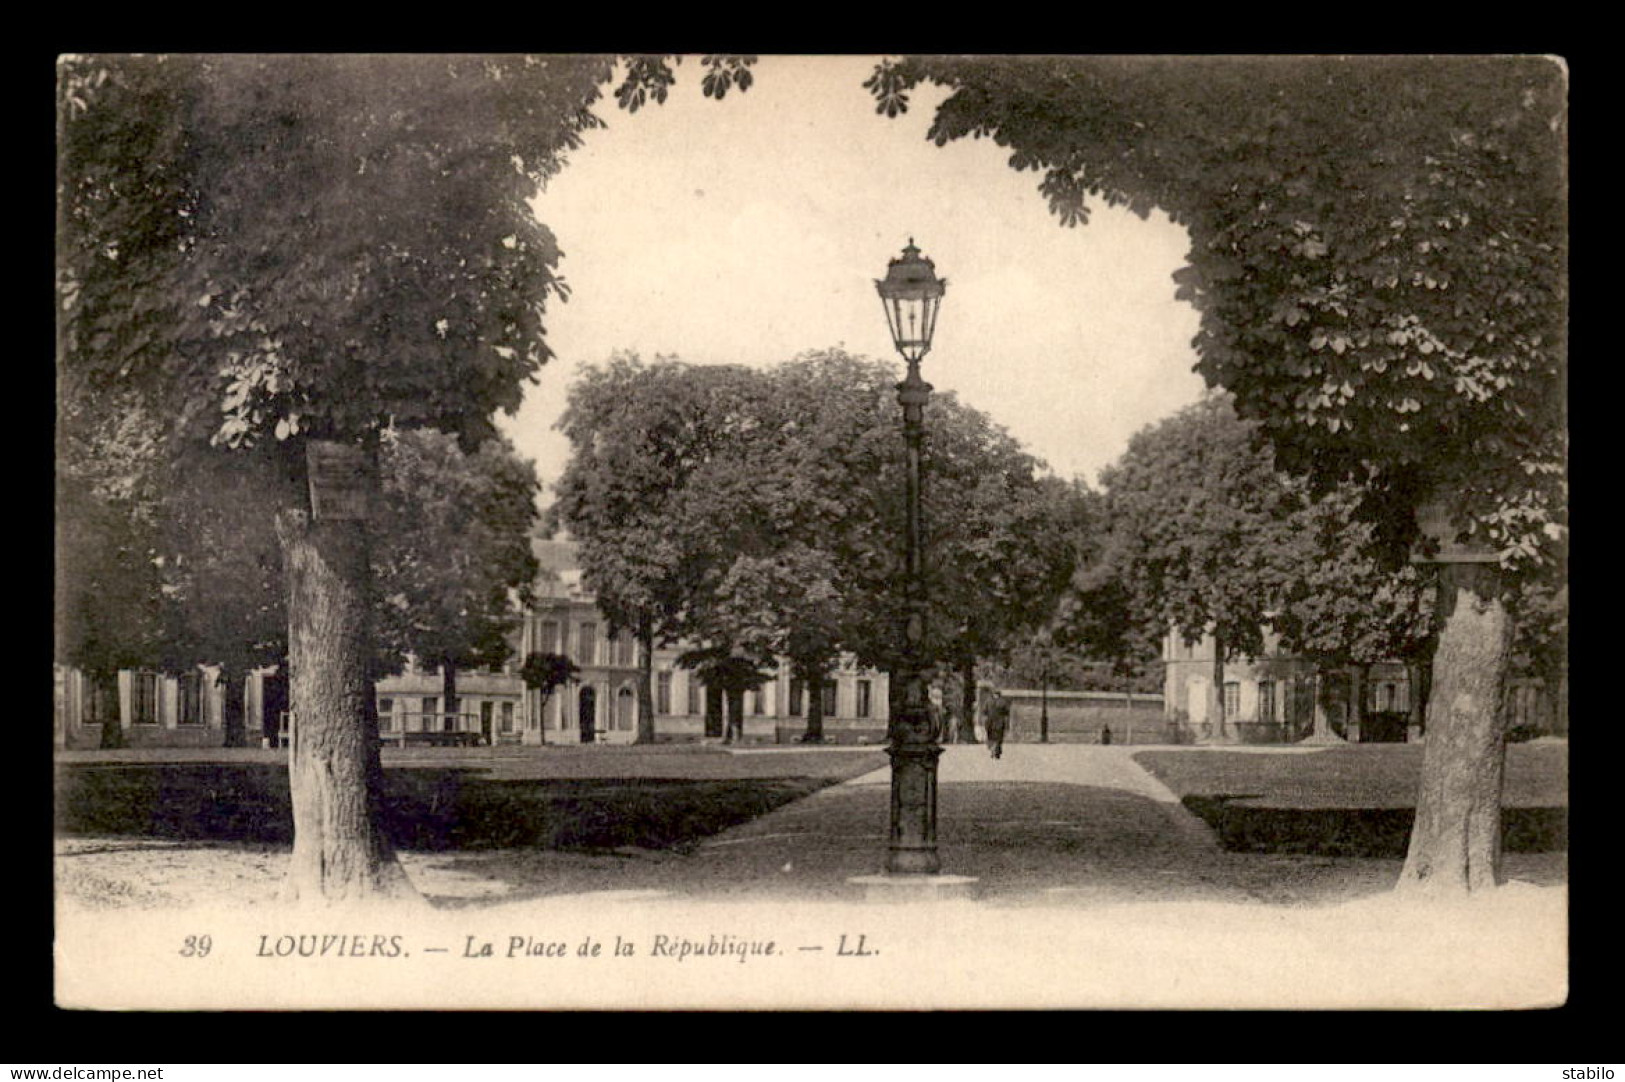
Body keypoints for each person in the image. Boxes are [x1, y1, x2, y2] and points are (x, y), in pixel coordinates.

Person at [984, 688, 1009, 760]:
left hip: (990, 722)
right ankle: (996, 750)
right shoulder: (1003, 702)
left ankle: (992, 749)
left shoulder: (988, 701)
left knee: (990, 736)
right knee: (998, 737)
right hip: (999, 722)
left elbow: (984, 712)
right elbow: (1006, 713)